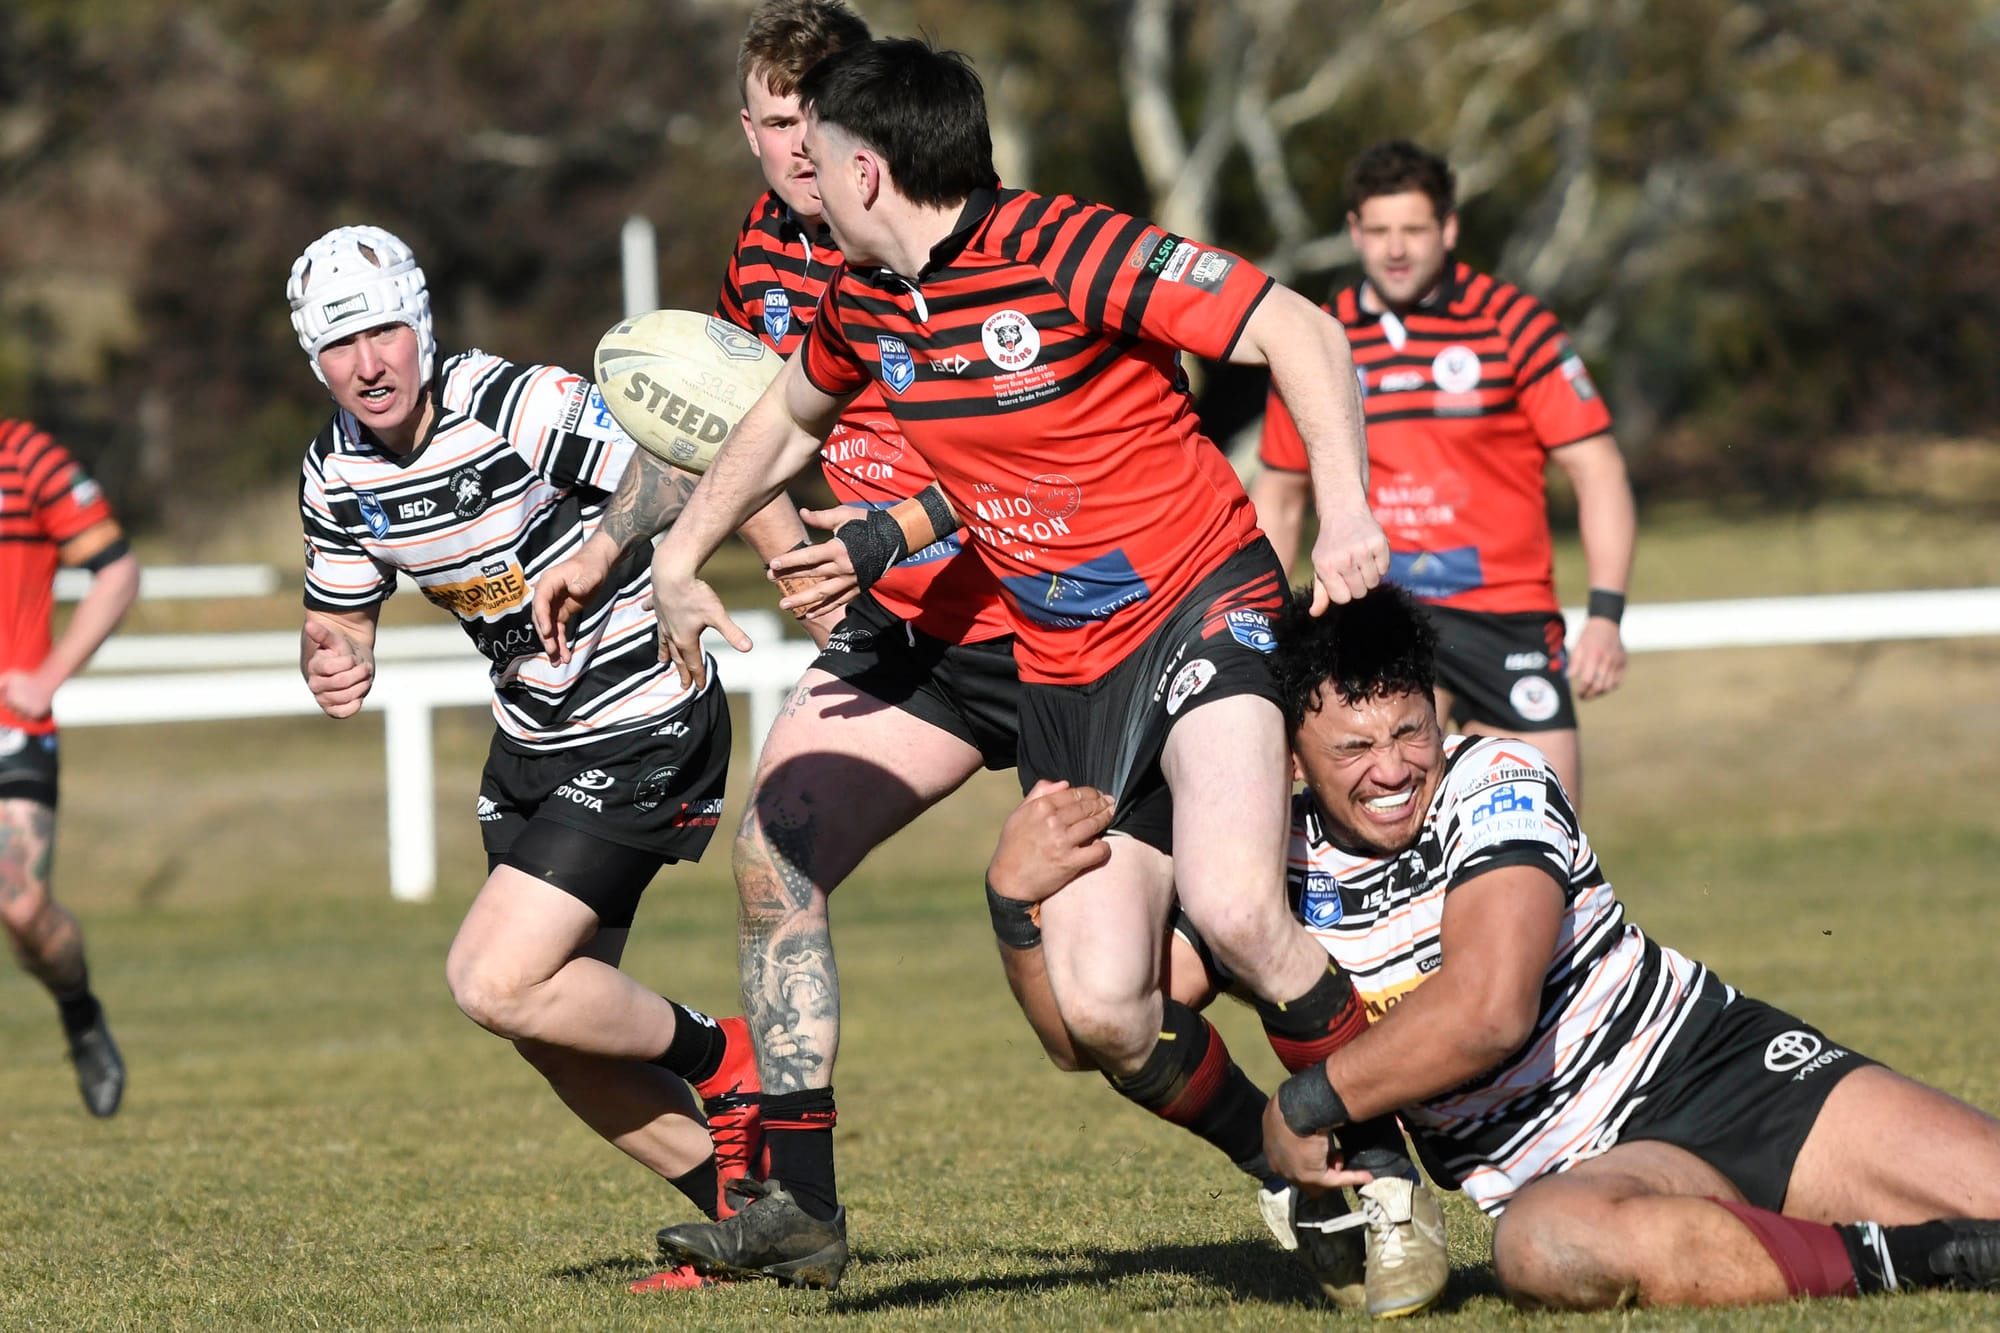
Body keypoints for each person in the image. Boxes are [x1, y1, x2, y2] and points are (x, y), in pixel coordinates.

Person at [632, 36, 1451, 1299]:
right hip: (1067, 667)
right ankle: (1291, 1167)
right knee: (1103, 1012)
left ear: (866, 170)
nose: (803, 176)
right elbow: (783, 418)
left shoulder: (1067, 247)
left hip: (1203, 603)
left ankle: (1385, 1176)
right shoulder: (864, 298)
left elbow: (1297, 329)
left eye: (820, 154)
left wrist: (1343, 510)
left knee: (1235, 908)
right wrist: (682, 554)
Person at [992, 584, 2000, 1312]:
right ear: (1291, 754)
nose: (1393, 769)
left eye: (1410, 732)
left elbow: (1488, 1009)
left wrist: (1300, 1106)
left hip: (1720, 1072)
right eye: (1354, 747)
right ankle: (1926, 1260)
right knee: (1544, 1248)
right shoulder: (1260, 870)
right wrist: (1015, 906)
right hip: (1574, 1175)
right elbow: (1100, 1028)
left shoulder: (1494, 779)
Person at [539, 0, 1019, 1293]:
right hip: (903, 637)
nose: (797, 147)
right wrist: (612, 547)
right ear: (744, 129)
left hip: (1043, 616)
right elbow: (720, 423)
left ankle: (1331, 1118)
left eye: (814, 119)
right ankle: (800, 1207)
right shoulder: (761, 248)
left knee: (1134, 976)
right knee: (774, 856)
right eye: (771, 121)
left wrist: (874, 532)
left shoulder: (947, 230)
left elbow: (1034, 445)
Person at [288, 224, 805, 1268]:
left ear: (420, 325)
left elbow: (693, 457)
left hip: (646, 713)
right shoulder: (336, 471)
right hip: (532, 740)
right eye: (340, 346)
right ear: (315, 360)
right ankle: (749, 1221)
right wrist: (331, 655)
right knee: (547, 1024)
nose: (369, 364)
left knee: (493, 978)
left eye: (385, 332)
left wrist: (793, 565)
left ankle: (727, 1058)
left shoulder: (513, 404)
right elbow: (339, 616)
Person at [1251, 139, 1636, 805]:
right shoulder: (1320, 338)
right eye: (1379, 232)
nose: (1395, 249)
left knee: (1543, 829)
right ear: (1354, 232)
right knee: (1378, 829)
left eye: (1414, 230)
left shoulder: (1515, 325)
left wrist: (1605, 613)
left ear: (1449, 228)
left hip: (1504, 614)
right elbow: (1281, 494)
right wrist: (1257, 629)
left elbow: (1597, 469)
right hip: (1376, 612)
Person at [0, 418, 140, 1117]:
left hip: (11, 728)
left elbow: (117, 571)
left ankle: (79, 1011)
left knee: (22, 907)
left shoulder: (25, 457)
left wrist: (49, 676)